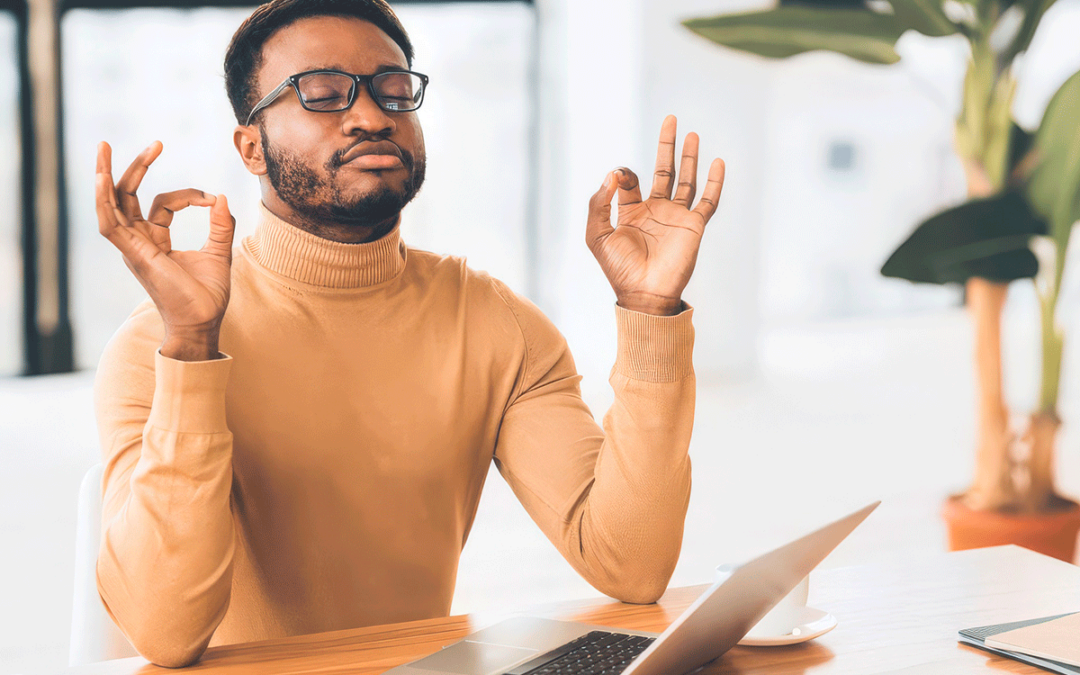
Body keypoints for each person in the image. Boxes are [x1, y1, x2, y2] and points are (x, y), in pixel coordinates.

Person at [92, 0, 726, 668]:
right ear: (251, 146)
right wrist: (193, 344)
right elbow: (164, 633)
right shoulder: (155, 350)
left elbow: (631, 562)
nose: (371, 117)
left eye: (394, 91)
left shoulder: (493, 323)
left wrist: (651, 313)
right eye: (324, 93)